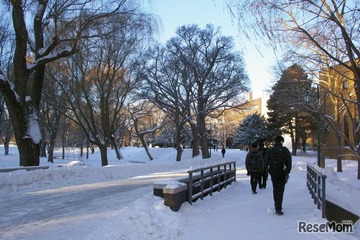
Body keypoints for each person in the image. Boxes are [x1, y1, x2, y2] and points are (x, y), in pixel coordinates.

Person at [265, 135, 292, 215]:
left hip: (273, 173)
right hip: (282, 172)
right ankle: (278, 207)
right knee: (280, 190)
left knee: (275, 188)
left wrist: (269, 170)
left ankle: (276, 204)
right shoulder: (285, 150)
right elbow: (289, 162)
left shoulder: (270, 150)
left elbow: (266, 162)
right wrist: (287, 172)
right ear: (281, 141)